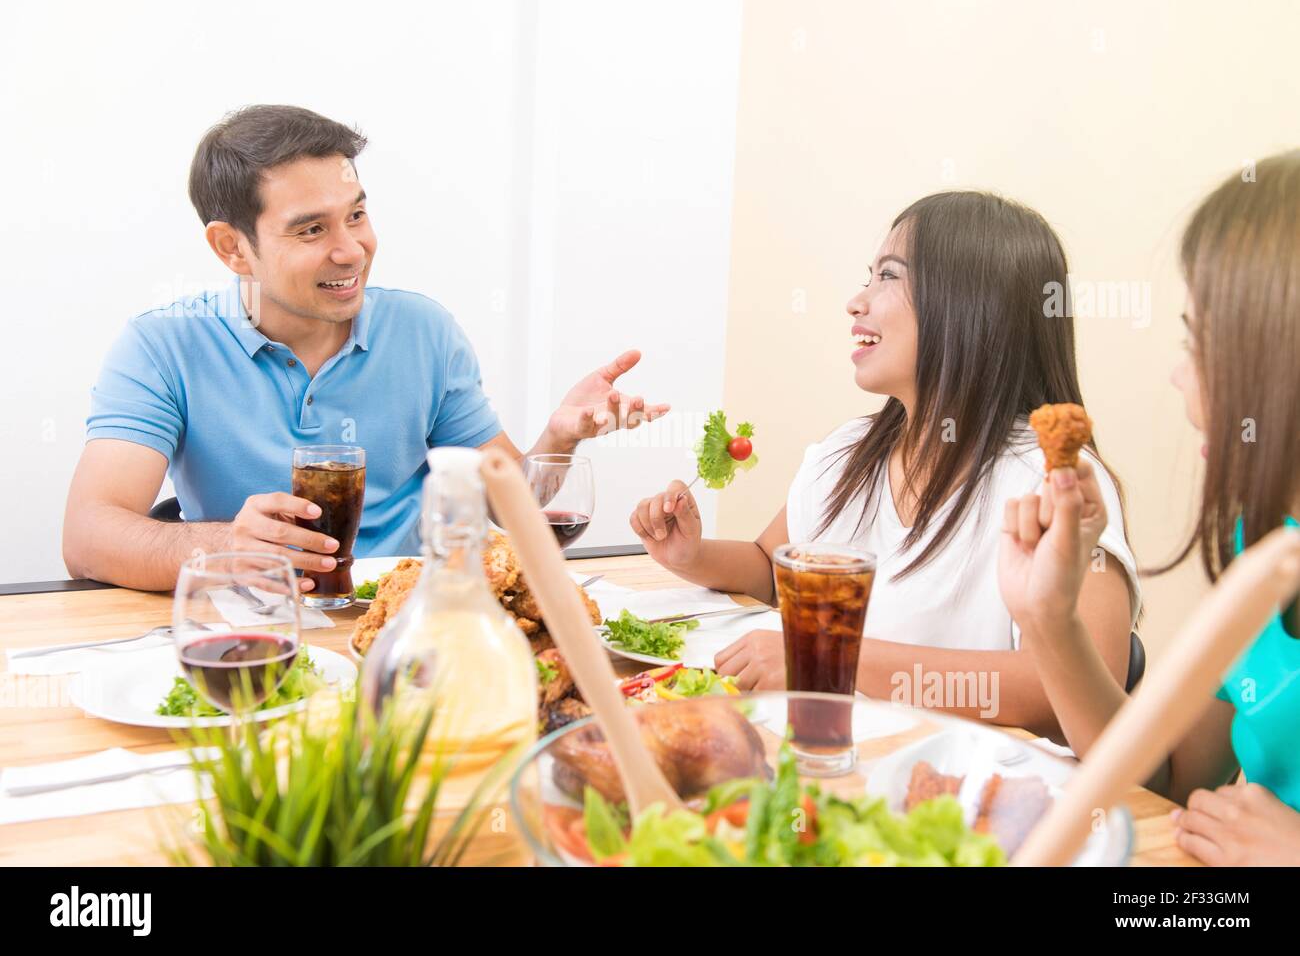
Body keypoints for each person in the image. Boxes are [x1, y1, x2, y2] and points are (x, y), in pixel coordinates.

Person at [63, 105, 668, 591]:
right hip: (253, 631)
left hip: (403, 624)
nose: (351, 249)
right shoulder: (162, 346)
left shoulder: (424, 331)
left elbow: (507, 505)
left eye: (355, 215)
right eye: (311, 229)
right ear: (232, 248)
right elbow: (88, 537)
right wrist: (224, 545)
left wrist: (559, 439)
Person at [631, 191, 1139, 735]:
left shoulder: (1054, 483)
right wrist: (692, 556)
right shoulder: (846, 453)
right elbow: (773, 571)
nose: (856, 301)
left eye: (888, 277)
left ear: (970, 305)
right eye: (867, 276)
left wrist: (830, 660)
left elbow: (1071, 690)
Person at [999, 150, 1300, 865]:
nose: (1177, 375)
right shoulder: (1264, 552)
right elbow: (1157, 777)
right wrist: (1049, 616)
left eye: (1199, 343)